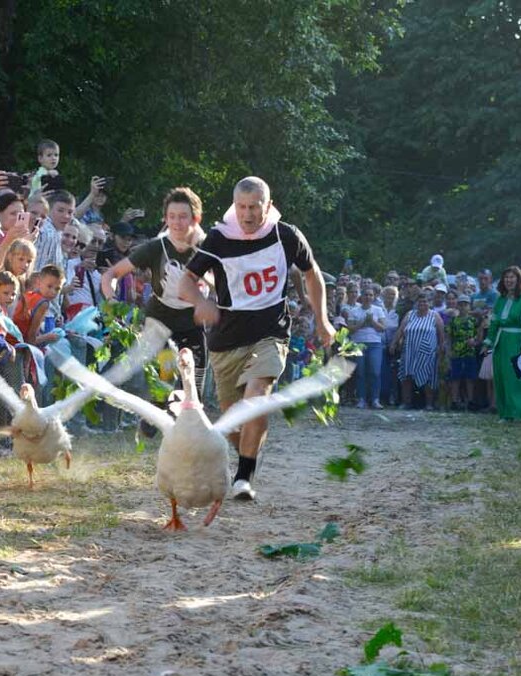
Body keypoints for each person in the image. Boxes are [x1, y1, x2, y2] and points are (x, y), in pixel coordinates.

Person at [179, 176, 334, 501]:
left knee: (255, 403)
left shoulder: (285, 235)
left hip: (270, 334)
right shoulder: (219, 239)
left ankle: (244, 477)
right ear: (234, 206)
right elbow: (186, 282)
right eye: (242, 207)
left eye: (254, 207)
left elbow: (312, 273)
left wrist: (322, 320)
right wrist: (201, 301)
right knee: (233, 420)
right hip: (226, 340)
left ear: (268, 204)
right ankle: (246, 455)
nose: (248, 215)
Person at [102, 188, 209, 390]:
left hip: (193, 323)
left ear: (195, 219)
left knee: (193, 387)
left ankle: (186, 417)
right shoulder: (155, 248)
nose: (177, 223)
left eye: (183, 217)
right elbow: (111, 275)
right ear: (165, 219)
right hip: (161, 324)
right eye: (172, 217)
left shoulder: (207, 247)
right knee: (164, 384)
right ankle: (158, 416)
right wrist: (112, 300)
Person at [483, 266, 521, 425]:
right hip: (502, 342)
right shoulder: (500, 299)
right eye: (506, 277)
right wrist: (488, 342)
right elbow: (493, 323)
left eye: (512, 277)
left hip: (518, 341)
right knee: (502, 377)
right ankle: (506, 413)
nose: (509, 280)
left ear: (518, 279)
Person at [394, 290, 444, 410]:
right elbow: (401, 330)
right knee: (406, 377)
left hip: (428, 352)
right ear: (416, 303)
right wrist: (394, 343)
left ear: (429, 303)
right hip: (409, 350)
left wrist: (441, 347)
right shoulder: (410, 314)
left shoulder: (434, 315)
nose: (422, 303)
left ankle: (429, 404)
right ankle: (406, 402)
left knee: (428, 378)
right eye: (420, 301)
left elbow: (441, 334)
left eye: (425, 301)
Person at [345, 286, 385, 408]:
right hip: (358, 344)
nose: (368, 297)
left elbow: (382, 328)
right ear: (361, 297)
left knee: (375, 372)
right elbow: (350, 330)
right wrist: (363, 322)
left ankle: (375, 399)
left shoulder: (378, 310)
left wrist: (372, 321)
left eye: (370, 295)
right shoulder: (354, 311)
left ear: (374, 297)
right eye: (366, 295)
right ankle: (361, 399)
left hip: (375, 344)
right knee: (360, 372)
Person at [445, 293, 480, 410]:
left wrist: (474, 341)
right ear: (457, 306)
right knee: (455, 378)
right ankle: (455, 401)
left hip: (470, 352)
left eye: (465, 304)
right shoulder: (453, 321)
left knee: (470, 378)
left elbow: (479, 336)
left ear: (469, 306)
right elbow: (449, 337)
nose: (463, 307)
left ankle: (470, 401)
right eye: (460, 304)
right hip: (457, 351)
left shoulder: (473, 321)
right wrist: (448, 351)